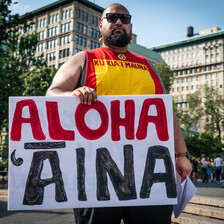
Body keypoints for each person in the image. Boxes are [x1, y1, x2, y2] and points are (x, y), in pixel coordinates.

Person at [46, 3, 192, 224]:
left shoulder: (148, 66)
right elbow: (52, 94)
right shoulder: (84, 59)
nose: (119, 22)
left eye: (124, 18)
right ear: (101, 25)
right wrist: (74, 93)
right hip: (96, 176)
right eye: (112, 18)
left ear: (130, 26)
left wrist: (181, 155)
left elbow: (166, 112)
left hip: (148, 175)